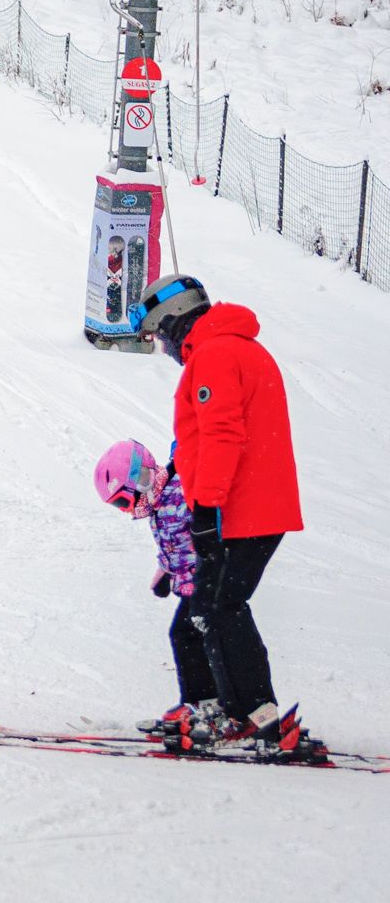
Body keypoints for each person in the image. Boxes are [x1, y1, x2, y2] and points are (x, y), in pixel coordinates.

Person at [131, 275, 311, 755]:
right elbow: (205, 439)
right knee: (205, 609)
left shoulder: (214, 355)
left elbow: (223, 436)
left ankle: (254, 716)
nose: (163, 347)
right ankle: (214, 706)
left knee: (218, 607)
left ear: (175, 321)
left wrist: (206, 507)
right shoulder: (237, 348)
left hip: (241, 510)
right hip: (252, 507)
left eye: (159, 335)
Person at [93, 440, 213, 740]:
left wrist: (208, 571)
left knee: (188, 635)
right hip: (189, 582)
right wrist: (165, 572)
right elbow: (173, 544)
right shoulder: (159, 502)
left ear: (140, 479)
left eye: (123, 502)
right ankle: (201, 703)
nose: (126, 510)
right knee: (187, 635)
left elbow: (199, 535)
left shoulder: (178, 493)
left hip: (206, 581)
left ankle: (205, 705)